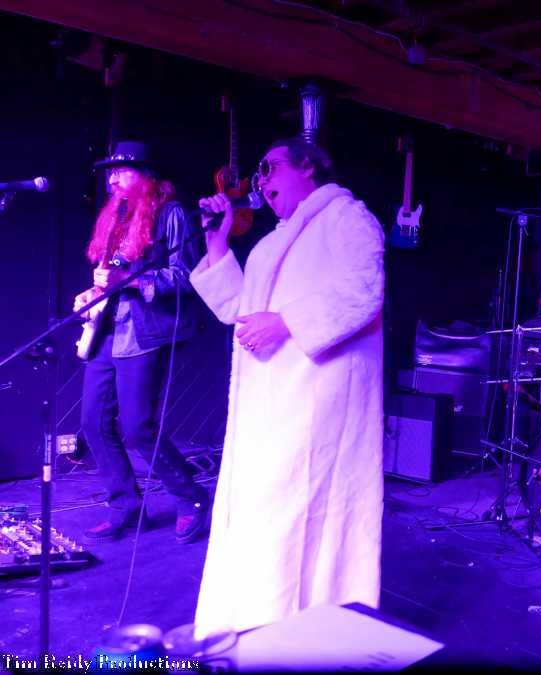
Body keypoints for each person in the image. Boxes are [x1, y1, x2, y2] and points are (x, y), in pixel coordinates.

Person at [189, 138, 385, 637]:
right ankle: (256, 622)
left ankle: (300, 628)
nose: (261, 180)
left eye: (270, 167)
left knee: (298, 513)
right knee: (266, 514)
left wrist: (286, 322)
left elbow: (363, 291)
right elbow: (240, 310)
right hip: (271, 403)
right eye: (258, 172)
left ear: (308, 167)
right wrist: (217, 242)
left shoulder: (347, 218)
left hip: (315, 401)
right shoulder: (274, 241)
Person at [75, 140, 208, 544]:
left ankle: (191, 497)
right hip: (106, 330)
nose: (112, 180)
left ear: (147, 175)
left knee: (137, 428)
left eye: (122, 171)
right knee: (92, 422)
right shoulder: (116, 216)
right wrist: (91, 295)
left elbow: (189, 276)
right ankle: (126, 506)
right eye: (110, 173)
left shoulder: (171, 214)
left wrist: (133, 283)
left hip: (144, 333)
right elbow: (111, 277)